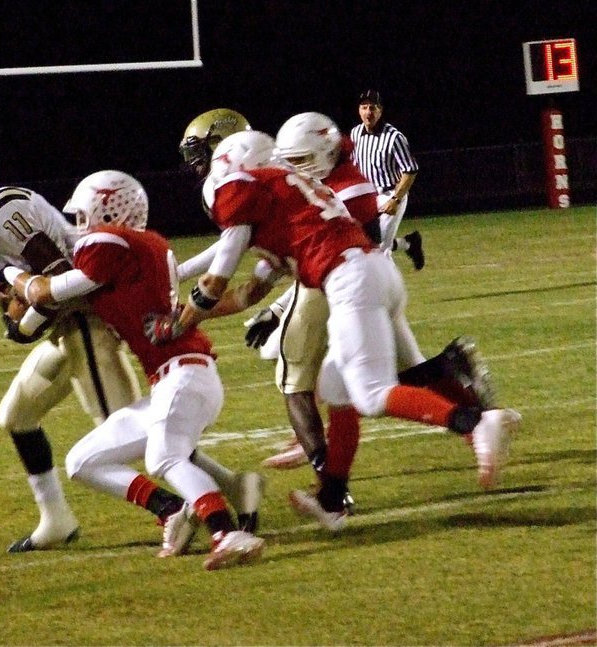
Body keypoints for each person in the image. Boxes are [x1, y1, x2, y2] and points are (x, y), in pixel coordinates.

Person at [146, 130, 521, 533]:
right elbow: (245, 295)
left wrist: (178, 322)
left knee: (371, 393)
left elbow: (217, 281)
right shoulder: (290, 197)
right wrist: (193, 316)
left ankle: (474, 421)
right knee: (335, 386)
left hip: (348, 279)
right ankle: (331, 500)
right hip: (372, 271)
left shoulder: (237, 188)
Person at [0, 153, 261, 554]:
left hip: (85, 325)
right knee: (18, 416)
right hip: (65, 328)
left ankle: (187, 505)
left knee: (128, 433)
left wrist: (22, 318)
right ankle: (57, 519)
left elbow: (59, 276)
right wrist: (17, 309)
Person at [13, 170, 265, 570]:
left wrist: (14, 277)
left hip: (183, 374)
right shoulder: (147, 247)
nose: (81, 228)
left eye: (84, 215)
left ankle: (226, 531)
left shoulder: (111, 242)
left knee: (164, 458)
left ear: (107, 208)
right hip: (174, 380)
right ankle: (175, 512)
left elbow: (46, 292)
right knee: (83, 461)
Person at [254, 112, 496, 472]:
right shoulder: (327, 183)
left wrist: (275, 307)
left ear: (326, 153)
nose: (296, 170)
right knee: (401, 373)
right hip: (362, 281)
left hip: (355, 285)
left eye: (302, 160)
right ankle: (470, 406)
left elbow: (333, 258)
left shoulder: (349, 190)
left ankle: (471, 417)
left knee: (324, 367)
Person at [351, 89, 424, 271]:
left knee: (377, 250)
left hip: (389, 194)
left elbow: (410, 170)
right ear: (359, 110)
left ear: (380, 110)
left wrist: (396, 199)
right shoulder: (355, 134)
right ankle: (409, 243)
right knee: (361, 244)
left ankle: (388, 296)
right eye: (364, 107)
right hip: (367, 198)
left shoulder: (394, 137)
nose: (368, 112)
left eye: (373, 108)